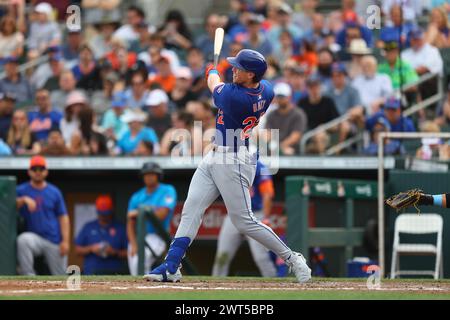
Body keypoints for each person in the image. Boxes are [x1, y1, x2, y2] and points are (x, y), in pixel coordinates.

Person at [146, 49, 311, 283]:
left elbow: (213, 81)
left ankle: (293, 258)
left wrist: (211, 71)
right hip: (215, 154)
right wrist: (214, 74)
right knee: (191, 209)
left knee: (244, 221)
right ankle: (171, 266)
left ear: (252, 75)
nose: (233, 69)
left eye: (239, 68)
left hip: (234, 159)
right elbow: (222, 83)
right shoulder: (268, 90)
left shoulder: (235, 98)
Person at [212, 160, 277, 277]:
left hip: (255, 214)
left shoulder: (260, 167)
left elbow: (267, 194)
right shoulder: (229, 165)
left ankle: (274, 284)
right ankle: (213, 287)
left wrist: (265, 217)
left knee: (261, 257)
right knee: (222, 255)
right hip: (234, 214)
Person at [16, 156, 70, 275]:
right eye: (34, 169)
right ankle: (29, 277)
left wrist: (65, 241)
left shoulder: (54, 191)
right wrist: (23, 199)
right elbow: (9, 204)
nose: (38, 172)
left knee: (60, 276)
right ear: (29, 171)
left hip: (53, 239)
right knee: (23, 240)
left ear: (46, 171)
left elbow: (63, 217)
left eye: (41, 169)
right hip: (35, 238)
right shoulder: (21, 190)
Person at [127, 162, 177, 276]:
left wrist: (141, 211)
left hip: (158, 236)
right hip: (139, 237)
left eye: (152, 174)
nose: (149, 177)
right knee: (134, 268)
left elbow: (162, 214)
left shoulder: (168, 190)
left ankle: (146, 289)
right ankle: (139, 290)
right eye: (146, 174)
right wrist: (133, 243)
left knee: (140, 262)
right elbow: (130, 222)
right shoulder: (137, 196)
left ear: (158, 176)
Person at [75, 195, 128, 275]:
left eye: (106, 213)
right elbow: (77, 250)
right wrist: (91, 248)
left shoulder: (120, 227)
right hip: (91, 272)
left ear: (112, 210)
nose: (104, 216)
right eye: (102, 214)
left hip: (114, 273)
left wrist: (114, 252)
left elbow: (129, 253)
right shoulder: (88, 226)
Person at [264, 82, 308, 155]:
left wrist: (280, 147)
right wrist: (270, 145)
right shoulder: (271, 115)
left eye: (282, 96)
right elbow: (267, 134)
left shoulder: (298, 114)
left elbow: (295, 136)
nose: (279, 99)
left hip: (293, 149)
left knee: (288, 152)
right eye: (278, 96)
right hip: (274, 148)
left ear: (289, 97)